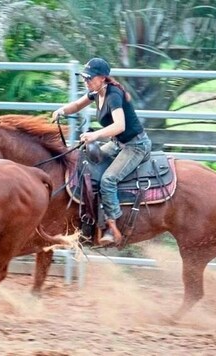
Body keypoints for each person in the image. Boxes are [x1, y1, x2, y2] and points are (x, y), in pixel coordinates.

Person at [52, 57, 151, 246]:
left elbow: (120, 125)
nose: (86, 81)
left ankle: (113, 227)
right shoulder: (96, 92)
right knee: (86, 162)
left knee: (108, 179)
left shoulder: (113, 95)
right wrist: (62, 111)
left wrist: (95, 135)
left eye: (89, 78)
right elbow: (77, 105)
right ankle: (89, 219)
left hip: (135, 146)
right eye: (84, 78)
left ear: (102, 78)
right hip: (117, 144)